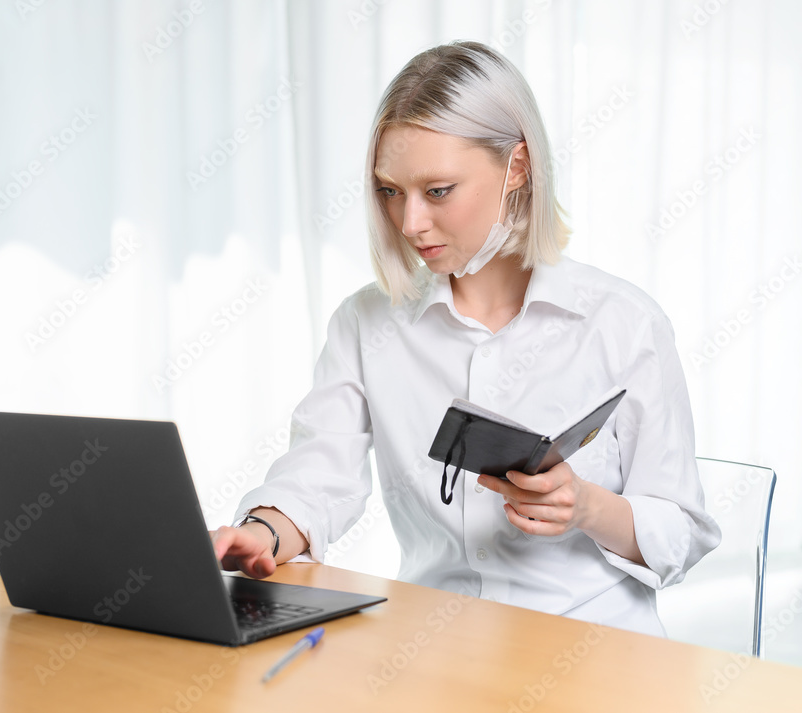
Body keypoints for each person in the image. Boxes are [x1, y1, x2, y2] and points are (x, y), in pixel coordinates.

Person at [211, 40, 720, 637]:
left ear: (517, 167)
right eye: (390, 191)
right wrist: (262, 533)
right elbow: (317, 477)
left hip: (592, 649)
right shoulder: (366, 323)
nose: (410, 224)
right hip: (433, 647)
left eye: (438, 191)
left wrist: (586, 507)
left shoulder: (623, 323)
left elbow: (684, 532)